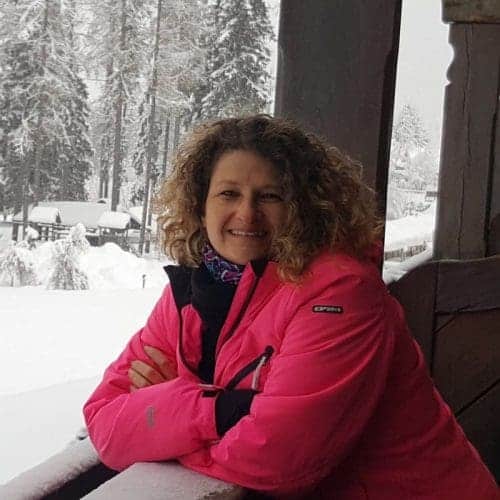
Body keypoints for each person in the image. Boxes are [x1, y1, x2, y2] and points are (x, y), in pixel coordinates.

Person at [83, 115, 499, 499]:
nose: (246, 213)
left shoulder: (339, 290)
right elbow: (103, 420)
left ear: (302, 207)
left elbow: (275, 461)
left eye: (269, 196)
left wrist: (165, 424)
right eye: (229, 193)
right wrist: (224, 411)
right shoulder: (189, 292)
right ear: (200, 204)